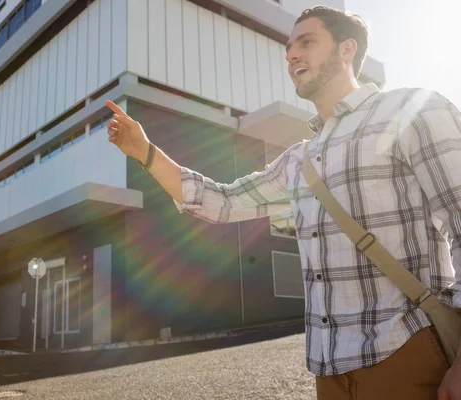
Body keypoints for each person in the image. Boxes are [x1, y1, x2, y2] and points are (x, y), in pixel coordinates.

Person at [105, 5, 461, 400]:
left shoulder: (412, 112)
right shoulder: (299, 160)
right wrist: (145, 152)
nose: (291, 55)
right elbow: (221, 201)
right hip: (328, 371)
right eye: (289, 47)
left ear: (347, 49)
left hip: (407, 353)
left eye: (306, 42)